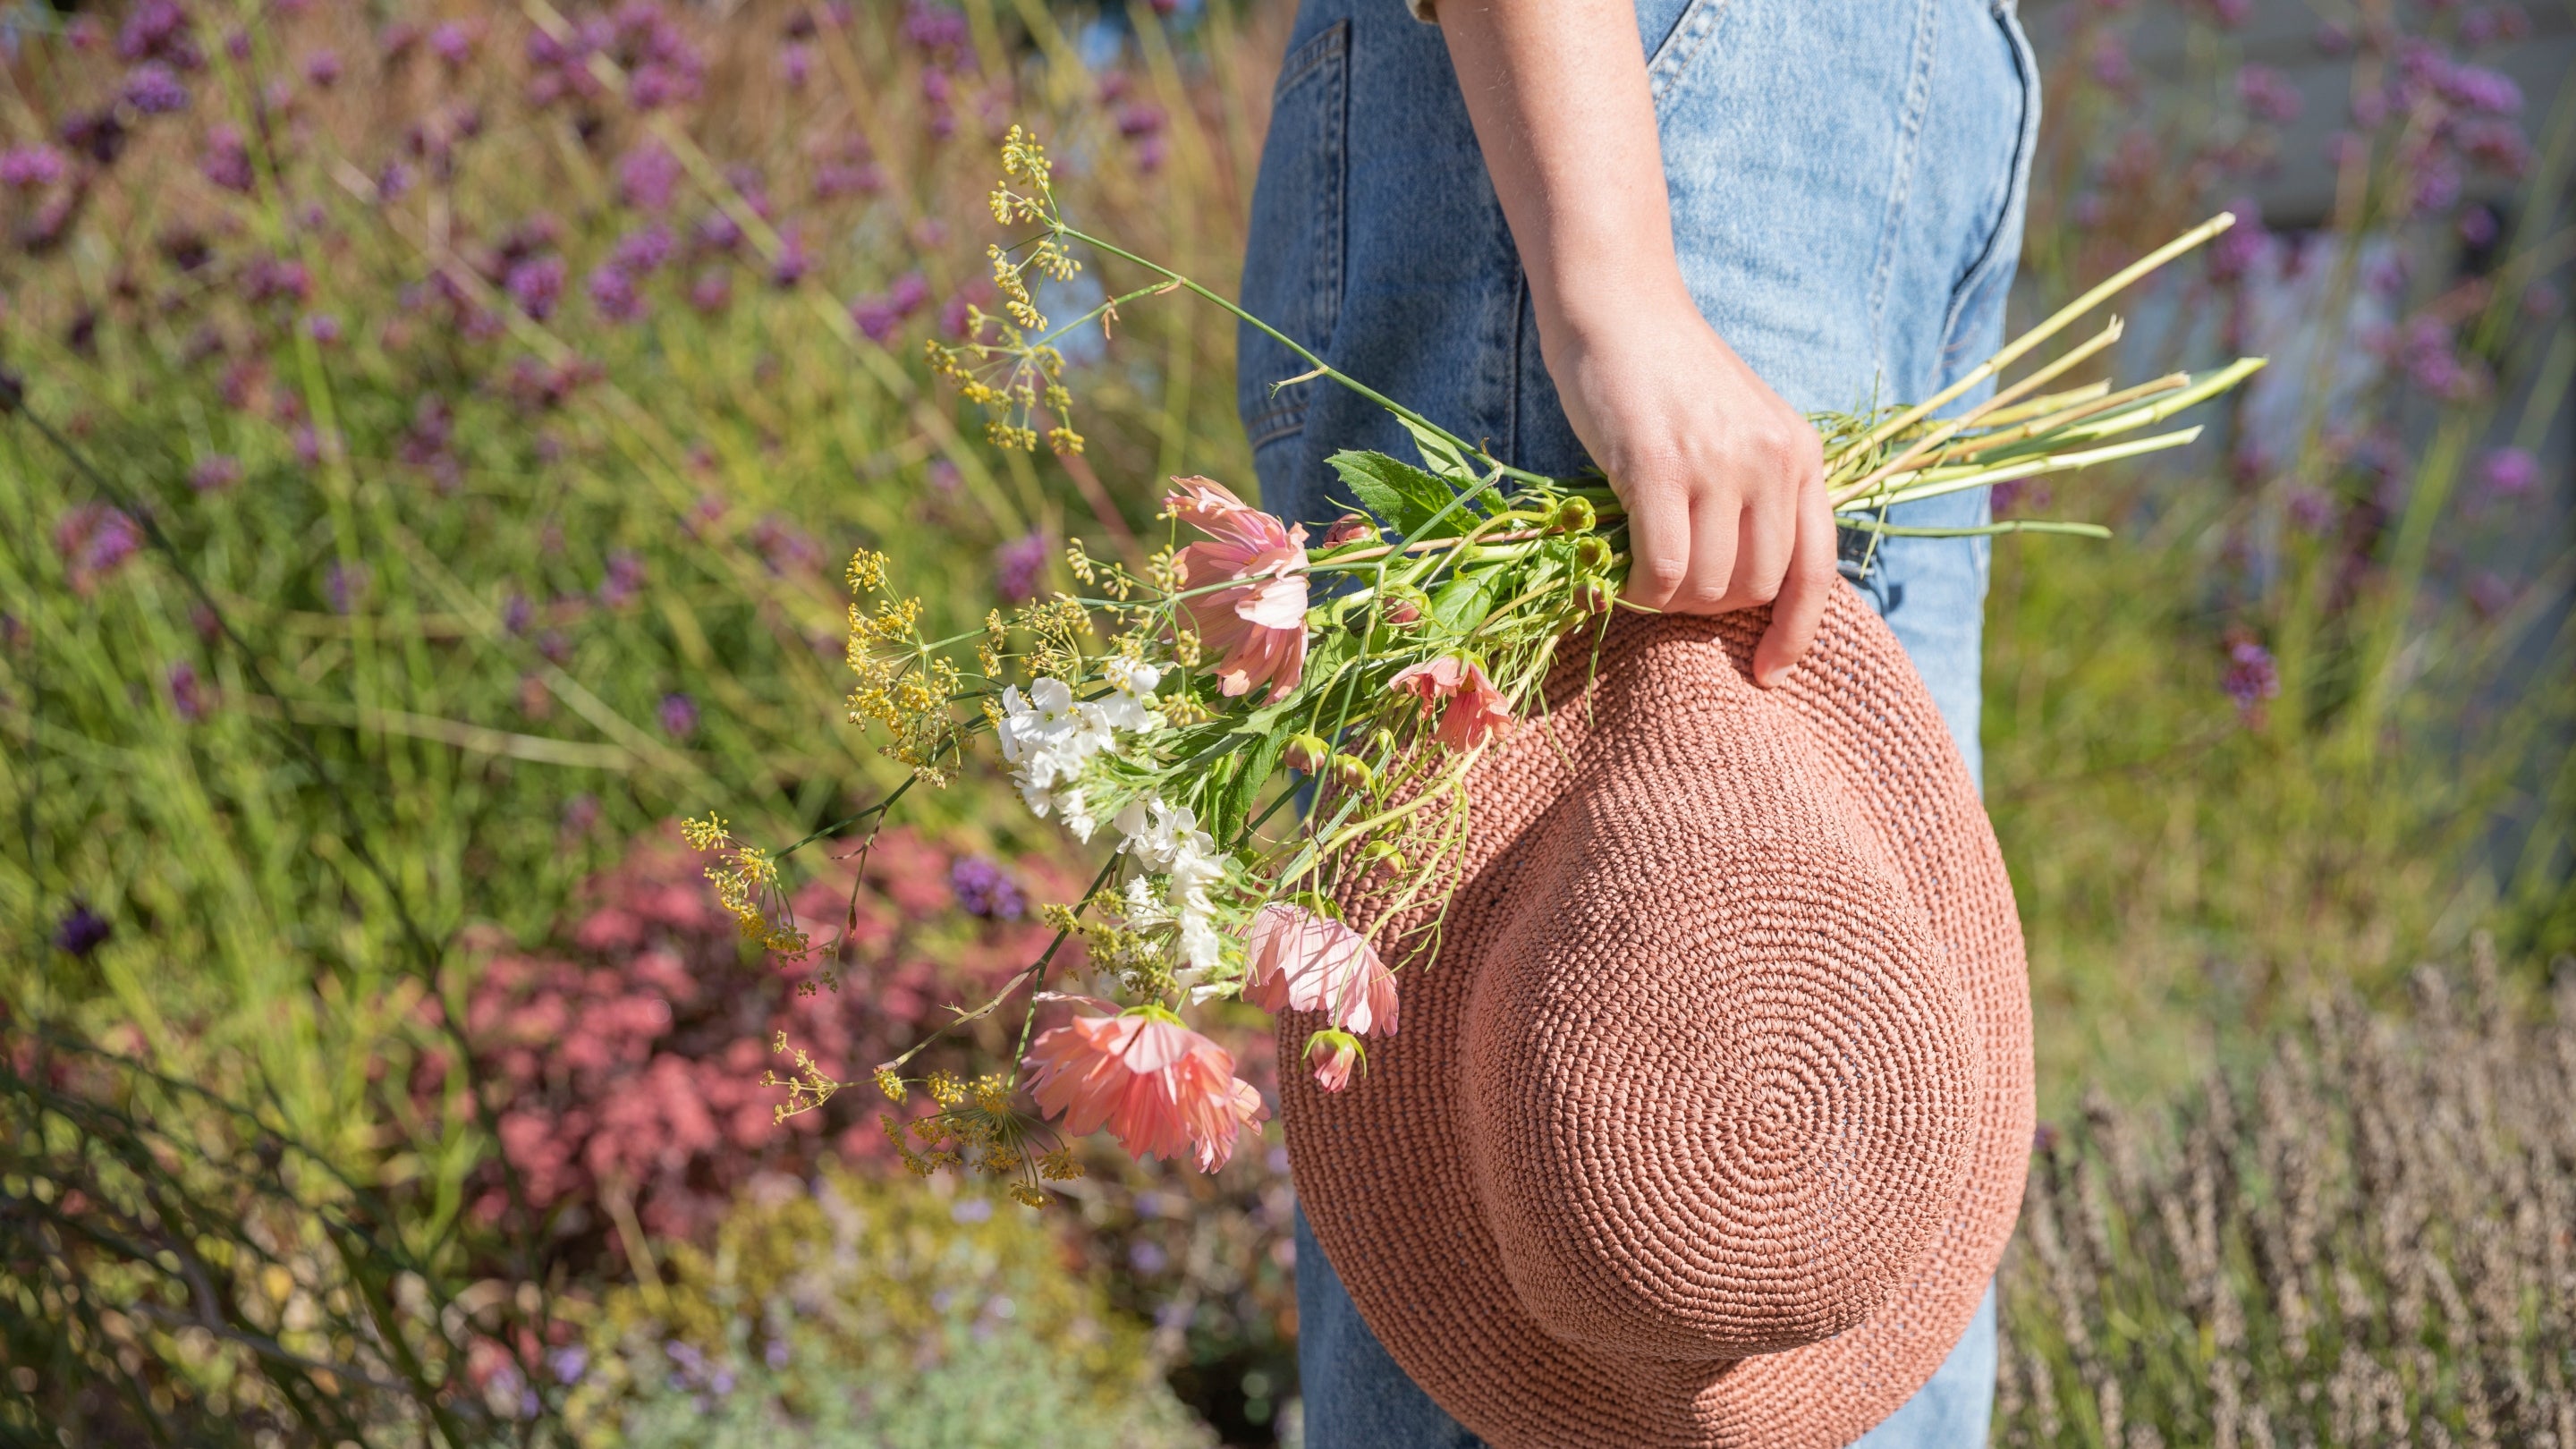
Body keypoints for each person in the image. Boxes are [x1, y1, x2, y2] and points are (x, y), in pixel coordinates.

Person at [1235, 0, 2038, 1443]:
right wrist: (1611, 281)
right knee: (1560, 1152)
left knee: (1839, 1201)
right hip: (1648, 103)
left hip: (1919, 100)